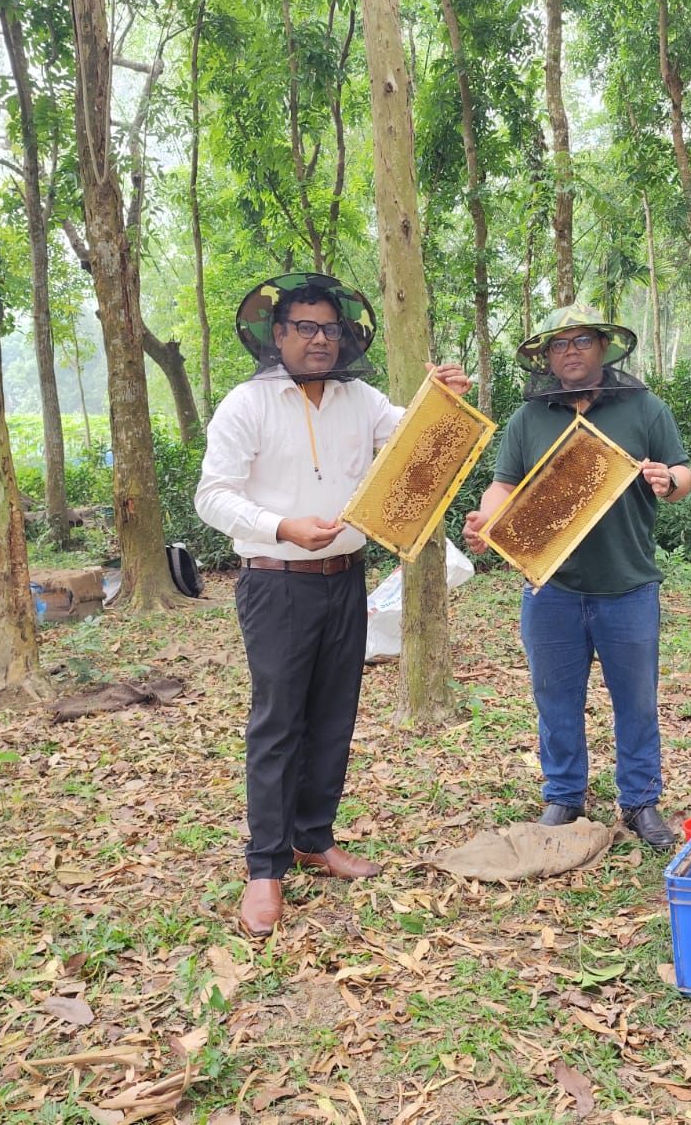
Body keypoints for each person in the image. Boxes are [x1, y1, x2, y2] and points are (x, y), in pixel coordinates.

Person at [195, 272, 469, 936]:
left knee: (333, 716)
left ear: (345, 336)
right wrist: (282, 527)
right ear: (278, 335)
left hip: (345, 577)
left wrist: (442, 397)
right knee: (278, 721)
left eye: (330, 329)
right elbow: (212, 496)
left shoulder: (360, 398)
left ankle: (314, 838)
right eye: (305, 328)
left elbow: (414, 437)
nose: (319, 340)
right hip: (276, 580)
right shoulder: (245, 405)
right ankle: (265, 868)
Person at [463, 306, 691, 849]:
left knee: (635, 699)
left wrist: (667, 480)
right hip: (551, 589)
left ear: (603, 347)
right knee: (554, 696)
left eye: (581, 340)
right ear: (546, 356)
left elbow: (683, 473)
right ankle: (563, 794)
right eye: (559, 343)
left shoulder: (644, 408)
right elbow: (502, 486)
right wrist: (486, 521)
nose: (570, 350)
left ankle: (640, 802)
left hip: (629, 584)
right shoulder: (528, 420)